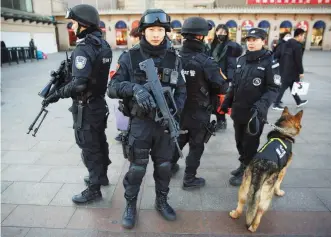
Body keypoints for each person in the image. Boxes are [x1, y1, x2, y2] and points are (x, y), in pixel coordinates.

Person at [107, 9, 186, 229]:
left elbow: (181, 90)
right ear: (143, 31)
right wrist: (134, 89)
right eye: (151, 29)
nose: (156, 34)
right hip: (140, 124)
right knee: (137, 169)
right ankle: (130, 205)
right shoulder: (129, 57)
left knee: (163, 167)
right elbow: (112, 88)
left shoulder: (174, 57)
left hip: (164, 126)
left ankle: (161, 201)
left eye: (160, 29)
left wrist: (173, 113)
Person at [42, 4, 113, 203]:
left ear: (83, 24)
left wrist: (57, 94)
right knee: (99, 141)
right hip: (98, 104)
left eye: (73, 23)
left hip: (86, 107)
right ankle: (101, 176)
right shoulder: (103, 44)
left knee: (88, 146)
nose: (72, 27)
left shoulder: (84, 48)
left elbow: (79, 84)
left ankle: (94, 188)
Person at [170, 17, 228, 189]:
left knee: (180, 139)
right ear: (201, 37)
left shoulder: (173, 56)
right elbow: (222, 86)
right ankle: (189, 179)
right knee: (196, 146)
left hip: (178, 110)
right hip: (199, 112)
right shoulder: (206, 61)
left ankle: (168, 167)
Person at [220, 28, 280, 186]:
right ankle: (243, 164)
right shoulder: (242, 59)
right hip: (239, 110)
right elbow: (234, 84)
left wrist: (260, 106)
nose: (251, 43)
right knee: (239, 141)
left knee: (250, 143)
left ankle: (249, 171)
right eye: (249, 40)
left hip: (255, 113)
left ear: (263, 41)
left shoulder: (270, 62)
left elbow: (273, 88)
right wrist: (227, 101)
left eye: (255, 40)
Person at [209, 24, 242, 131]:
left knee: (221, 100)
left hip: (222, 78)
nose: (221, 34)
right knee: (211, 99)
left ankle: (221, 121)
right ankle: (213, 120)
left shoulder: (229, 46)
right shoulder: (212, 44)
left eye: (224, 32)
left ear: (227, 33)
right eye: (219, 32)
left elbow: (231, 63)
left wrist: (229, 78)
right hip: (211, 76)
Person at [272, 28, 308, 111]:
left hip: (284, 68)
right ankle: (276, 104)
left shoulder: (285, 43)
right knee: (283, 87)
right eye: (303, 36)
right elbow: (298, 60)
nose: (304, 38)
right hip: (291, 70)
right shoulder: (297, 45)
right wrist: (301, 72)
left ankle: (298, 101)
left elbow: (278, 54)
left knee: (292, 86)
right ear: (299, 35)